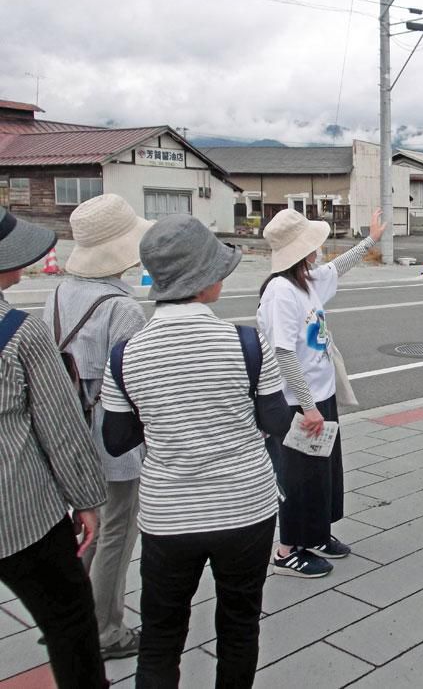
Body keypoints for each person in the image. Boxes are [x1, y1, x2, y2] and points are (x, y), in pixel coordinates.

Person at [101, 215, 292, 688]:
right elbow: (276, 421)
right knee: (240, 624)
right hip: (245, 507)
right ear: (205, 282)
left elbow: (116, 439)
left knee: (163, 635)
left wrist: (167, 419)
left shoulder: (127, 353)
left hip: (169, 516)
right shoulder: (246, 343)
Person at [0, 207, 109, 688]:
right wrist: (87, 499)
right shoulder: (19, 332)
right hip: (21, 511)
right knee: (68, 618)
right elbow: (60, 426)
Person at [42, 194, 151, 661]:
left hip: (68, 436)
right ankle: (107, 629)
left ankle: (68, 616)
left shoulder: (60, 294)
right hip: (114, 446)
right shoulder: (121, 307)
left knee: (84, 528)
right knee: (115, 534)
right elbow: (136, 386)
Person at [258, 208, 386, 577]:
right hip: (296, 403)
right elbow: (283, 353)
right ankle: (286, 551)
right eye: (312, 243)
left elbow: (337, 268)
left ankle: (315, 535)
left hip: (319, 395)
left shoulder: (306, 280)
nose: (319, 249)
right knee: (296, 476)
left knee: (322, 473)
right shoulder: (281, 291)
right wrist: (309, 407)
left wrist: (370, 240)